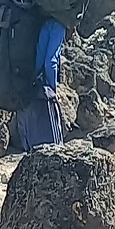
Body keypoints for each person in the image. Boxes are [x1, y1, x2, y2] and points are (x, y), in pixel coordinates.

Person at [15, 17, 67, 152]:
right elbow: (50, 63)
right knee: (55, 147)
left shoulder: (44, 24)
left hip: (30, 89)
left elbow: (39, 61)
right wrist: (52, 88)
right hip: (45, 94)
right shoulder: (59, 27)